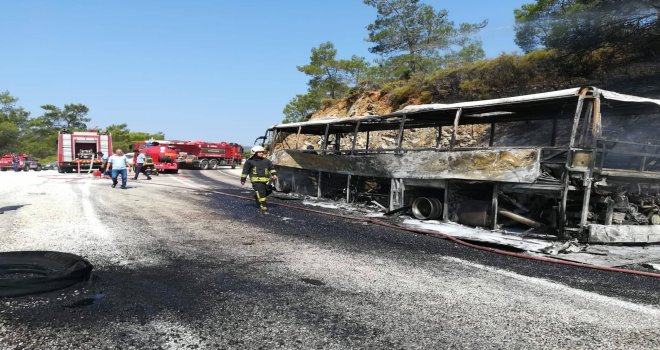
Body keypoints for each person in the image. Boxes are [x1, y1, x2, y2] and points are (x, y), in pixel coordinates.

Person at [241, 145, 278, 212]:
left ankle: (257, 196)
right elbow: (245, 171)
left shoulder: (266, 161)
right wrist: (243, 180)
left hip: (266, 181)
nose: (262, 153)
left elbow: (271, 168)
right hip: (256, 181)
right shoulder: (249, 162)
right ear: (254, 153)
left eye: (262, 152)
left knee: (270, 190)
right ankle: (263, 206)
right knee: (261, 192)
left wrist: (274, 174)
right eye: (260, 152)